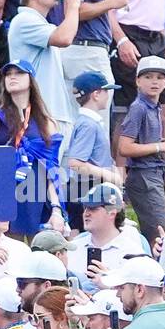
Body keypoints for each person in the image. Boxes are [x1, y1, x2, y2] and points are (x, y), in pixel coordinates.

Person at [0, 55, 62, 237]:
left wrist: (56, 209)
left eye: (19, 73)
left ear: (31, 80)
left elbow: (50, 169)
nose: (12, 76)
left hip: (36, 195)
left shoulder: (47, 123)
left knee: (40, 253)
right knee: (11, 251)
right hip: (6, 194)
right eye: (8, 74)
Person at [6, 0, 82, 131]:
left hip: (52, 113)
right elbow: (65, 38)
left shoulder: (38, 22)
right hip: (41, 116)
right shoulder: (24, 20)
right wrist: (73, 6)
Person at [118, 55, 165, 246]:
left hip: (155, 173)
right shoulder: (138, 108)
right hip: (143, 175)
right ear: (138, 81)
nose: (154, 81)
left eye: (159, 77)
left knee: (160, 233)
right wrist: (160, 146)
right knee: (161, 233)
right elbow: (124, 147)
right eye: (148, 76)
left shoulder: (154, 107)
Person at [62, 71, 120, 222]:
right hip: (86, 188)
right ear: (96, 94)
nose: (108, 95)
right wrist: (107, 175)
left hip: (89, 187)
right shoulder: (88, 124)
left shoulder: (88, 122)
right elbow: (75, 163)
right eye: (106, 91)